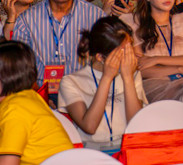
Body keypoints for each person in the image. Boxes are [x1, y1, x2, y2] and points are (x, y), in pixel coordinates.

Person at [13, 0, 103, 84]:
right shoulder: (26, 20)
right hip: (41, 92)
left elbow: (105, 63)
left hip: (85, 91)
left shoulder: (96, 16)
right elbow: (19, 68)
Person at [59, 16, 144, 153]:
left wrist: (128, 78)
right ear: (100, 57)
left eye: (130, 48)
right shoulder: (70, 82)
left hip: (127, 151)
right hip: (91, 153)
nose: (130, 56)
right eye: (123, 52)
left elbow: (137, 124)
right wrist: (106, 78)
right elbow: (89, 127)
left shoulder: (132, 75)